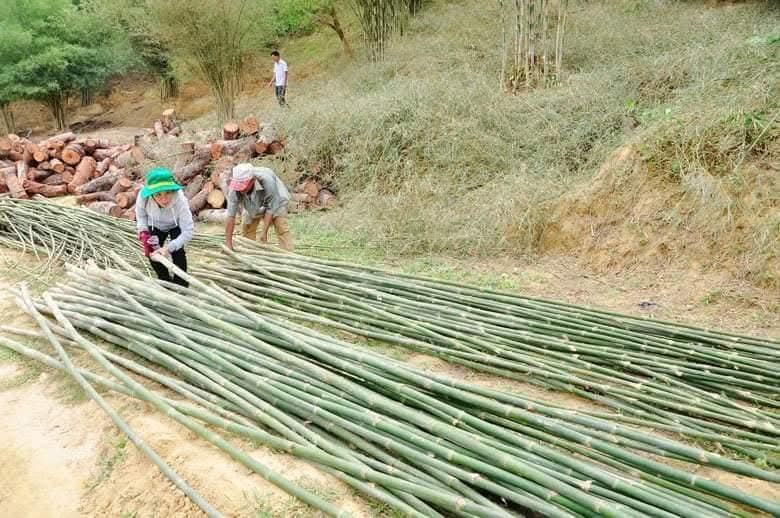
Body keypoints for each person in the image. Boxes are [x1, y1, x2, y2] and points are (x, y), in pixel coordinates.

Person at [136, 167, 194, 287]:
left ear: (172, 190)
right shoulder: (143, 197)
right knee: (153, 254)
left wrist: (168, 248)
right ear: (151, 195)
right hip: (155, 224)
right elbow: (141, 216)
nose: (164, 199)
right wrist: (143, 232)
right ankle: (165, 280)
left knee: (178, 253)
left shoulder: (180, 201)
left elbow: (188, 231)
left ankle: (181, 285)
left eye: (168, 192)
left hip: (175, 224)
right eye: (158, 195)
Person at [224, 163, 293, 251]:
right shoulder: (234, 190)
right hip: (253, 201)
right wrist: (228, 244)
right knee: (248, 225)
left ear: (252, 180)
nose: (240, 190)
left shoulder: (267, 181)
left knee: (280, 225)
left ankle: (287, 252)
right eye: (238, 186)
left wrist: (264, 233)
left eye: (243, 186)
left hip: (276, 198)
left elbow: (271, 207)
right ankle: (249, 251)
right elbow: (230, 216)